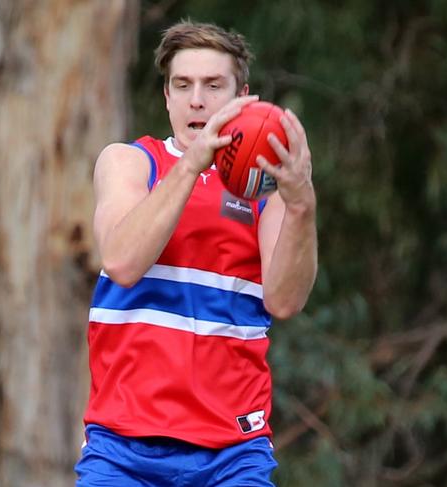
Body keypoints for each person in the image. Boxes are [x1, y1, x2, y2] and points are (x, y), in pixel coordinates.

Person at [75, 19, 317, 487]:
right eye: (182, 85)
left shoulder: (266, 192)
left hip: (232, 451)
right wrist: (191, 165)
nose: (197, 100)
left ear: (242, 97)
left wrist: (302, 203)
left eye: (213, 85)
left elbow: (285, 301)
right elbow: (122, 261)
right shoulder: (130, 162)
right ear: (167, 97)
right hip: (122, 448)